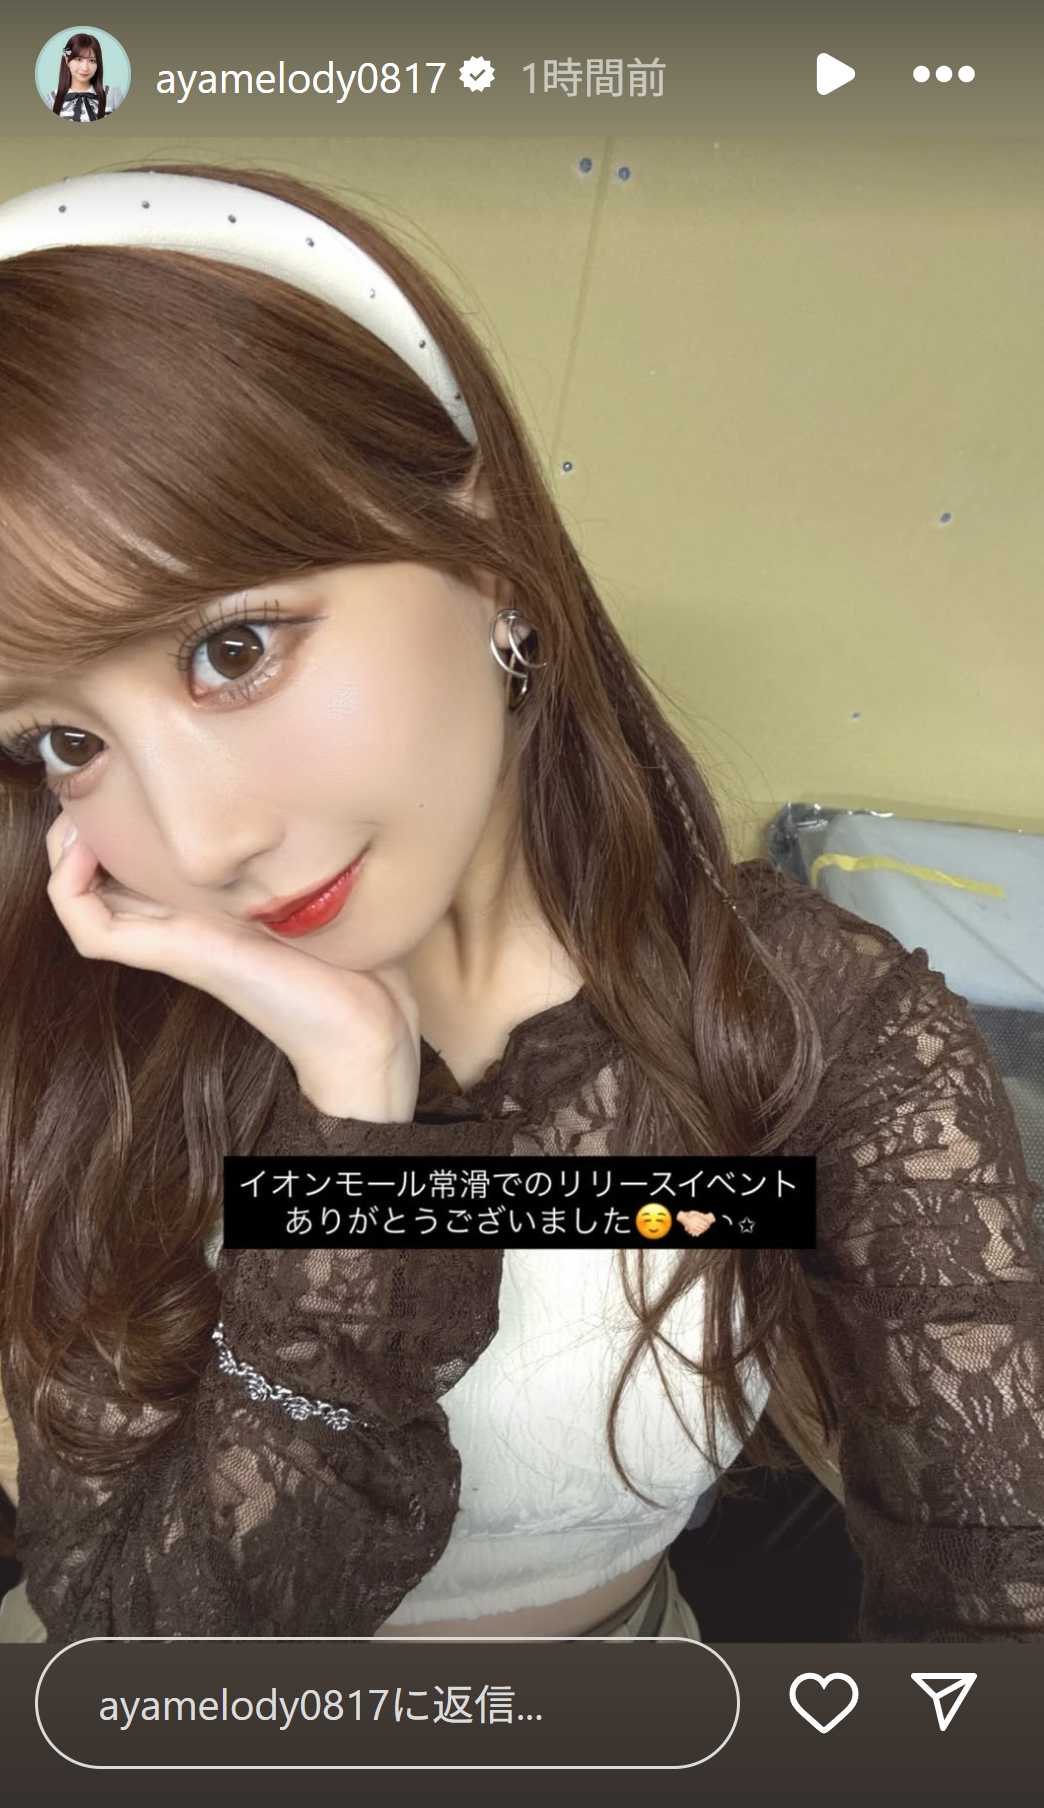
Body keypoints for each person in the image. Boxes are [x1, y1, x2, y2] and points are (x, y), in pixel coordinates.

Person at [0, 163, 1040, 1645]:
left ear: (487, 550)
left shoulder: (819, 1031)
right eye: (64, 740)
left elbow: (998, 1594)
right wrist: (356, 1130)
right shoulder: (96, 1046)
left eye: (233, 650)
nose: (200, 840)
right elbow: (141, 1663)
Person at [47, 34, 124, 124]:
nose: (85, 68)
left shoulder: (113, 95)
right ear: (67, 60)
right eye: (79, 59)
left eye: (92, 60)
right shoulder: (51, 99)